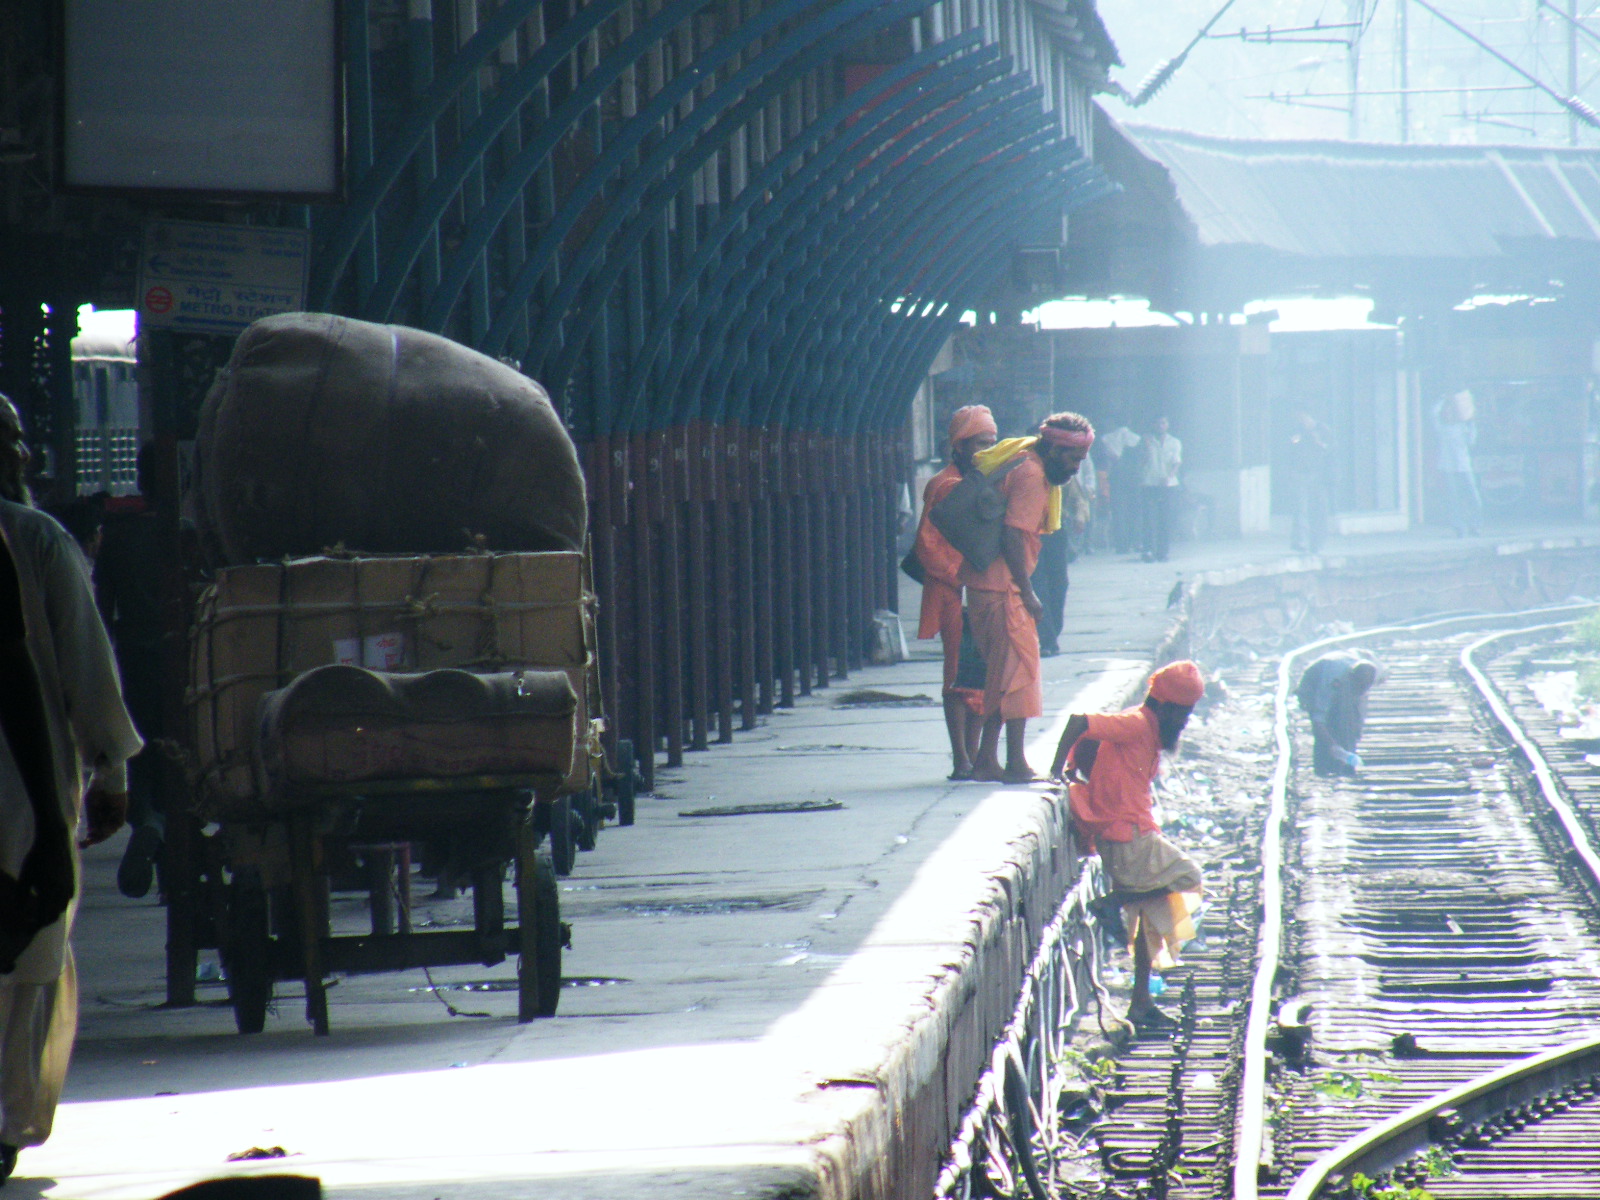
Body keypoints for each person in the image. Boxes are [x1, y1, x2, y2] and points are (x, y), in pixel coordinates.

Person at [0, 394, 142, 1184]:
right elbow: (83, 667)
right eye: (11, 443)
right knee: (27, 961)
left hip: (29, 784)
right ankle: (9, 1114)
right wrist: (111, 769)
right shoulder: (37, 540)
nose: (23, 458)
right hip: (24, 790)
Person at [1051, 660, 1206, 1029]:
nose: (1184, 724)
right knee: (1189, 876)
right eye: (1183, 716)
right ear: (1168, 708)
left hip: (1133, 832)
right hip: (1127, 836)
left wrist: (1085, 771)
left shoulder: (1148, 729)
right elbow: (1080, 722)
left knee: (1148, 925)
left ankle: (1140, 1002)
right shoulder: (1136, 723)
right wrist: (1056, 769)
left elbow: (1095, 748)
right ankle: (1111, 904)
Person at [961, 412, 1094, 783]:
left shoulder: (1024, 461)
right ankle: (1014, 762)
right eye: (1072, 459)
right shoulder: (1033, 476)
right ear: (1053, 448)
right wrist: (1028, 591)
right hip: (1003, 587)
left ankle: (987, 759)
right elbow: (1013, 537)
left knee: (1003, 678)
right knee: (1022, 673)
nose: (1075, 468)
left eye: (1081, 461)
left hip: (989, 586)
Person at [95, 445, 172, 899]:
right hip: (182, 665)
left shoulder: (118, 536)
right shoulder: (186, 534)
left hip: (132, 663)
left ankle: (148, 824)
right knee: (180, 765)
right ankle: (165, 847)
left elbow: (101, 610)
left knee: (136, 763)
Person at [915, 406, 997, 780]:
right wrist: (959, 577)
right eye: (981, 443)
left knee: (981, 673)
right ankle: (960, 758)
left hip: (979, 589)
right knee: (957, 675)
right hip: (953, 592)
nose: (986, 449)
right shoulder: (945, 485)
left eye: (992, 443)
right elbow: (928, 546)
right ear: (960, 446)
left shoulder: (984, 482)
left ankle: (975, 754)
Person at [1295, 652, 1384, 777]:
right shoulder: (1330, 682)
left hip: (1341, 674)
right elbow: (1318, 720)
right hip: (1313, 684)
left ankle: (1346, 766)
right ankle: (1323, 768)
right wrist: (1333, 746)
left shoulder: (1375, 672)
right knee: (1330, 721)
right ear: (1351, 679)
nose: (1361, 691)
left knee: (1348, 717)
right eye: (1358, 687)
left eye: (1364, 688)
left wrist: (1355, 730)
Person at [1032, 480, 1089, 658]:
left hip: (1055, 530)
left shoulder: (1056, 467)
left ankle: (1051, 632)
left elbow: (1078, 498)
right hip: (1030, 532)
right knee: (1038, 586)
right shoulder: (1022, 466)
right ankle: (1046, 639)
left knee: (1059, 584)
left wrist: (1080, 516)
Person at [1433, 390, 1481, 537]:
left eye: (1450, 412)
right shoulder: (1441, 429)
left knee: (1473, 497)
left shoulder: (1462, 428)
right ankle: (1458, 527)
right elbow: (1433, 414)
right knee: (1454, 500)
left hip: (1464, 466)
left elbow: (1471, 441)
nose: (1447, 414)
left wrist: (1471, 423)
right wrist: (1442, 400)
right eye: (1445, 412)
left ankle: (1474, 525)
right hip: (1448, 467)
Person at [1287, 413, 1333, 554]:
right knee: (1300, 508)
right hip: (1301, 475)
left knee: (1319, 511)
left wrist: (1318, 441)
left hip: (1319, 477)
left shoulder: (1324, 430)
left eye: (1304, 418)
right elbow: (1290, 447)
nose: (1302, 421)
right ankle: (1300, 541)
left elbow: (1330, 450)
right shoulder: (1298, 431)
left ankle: (1317, 544)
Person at [1139, 416, 1182, 563]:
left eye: (1163, 422)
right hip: (1149, 484)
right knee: (1149, 519)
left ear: (1167, 425)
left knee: (1165, 519)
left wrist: (1169, 477)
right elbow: (1141, 462)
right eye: (1157, 422)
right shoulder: (1145, 441)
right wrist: (1145, 446)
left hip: (1168, 486)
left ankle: (1163, 552)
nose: (1160, 425)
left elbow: (1176, 463)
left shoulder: (1174, 442)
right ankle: (1148, 550)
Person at [1098, 420, 1141, 554]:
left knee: (1119, 512)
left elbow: (1110, 459)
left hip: (1117, 479)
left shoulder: (1106, 439)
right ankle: (1135, 541)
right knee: (1133, 511)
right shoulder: (1136, 439)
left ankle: (1122, 545)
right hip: (1133, 480)